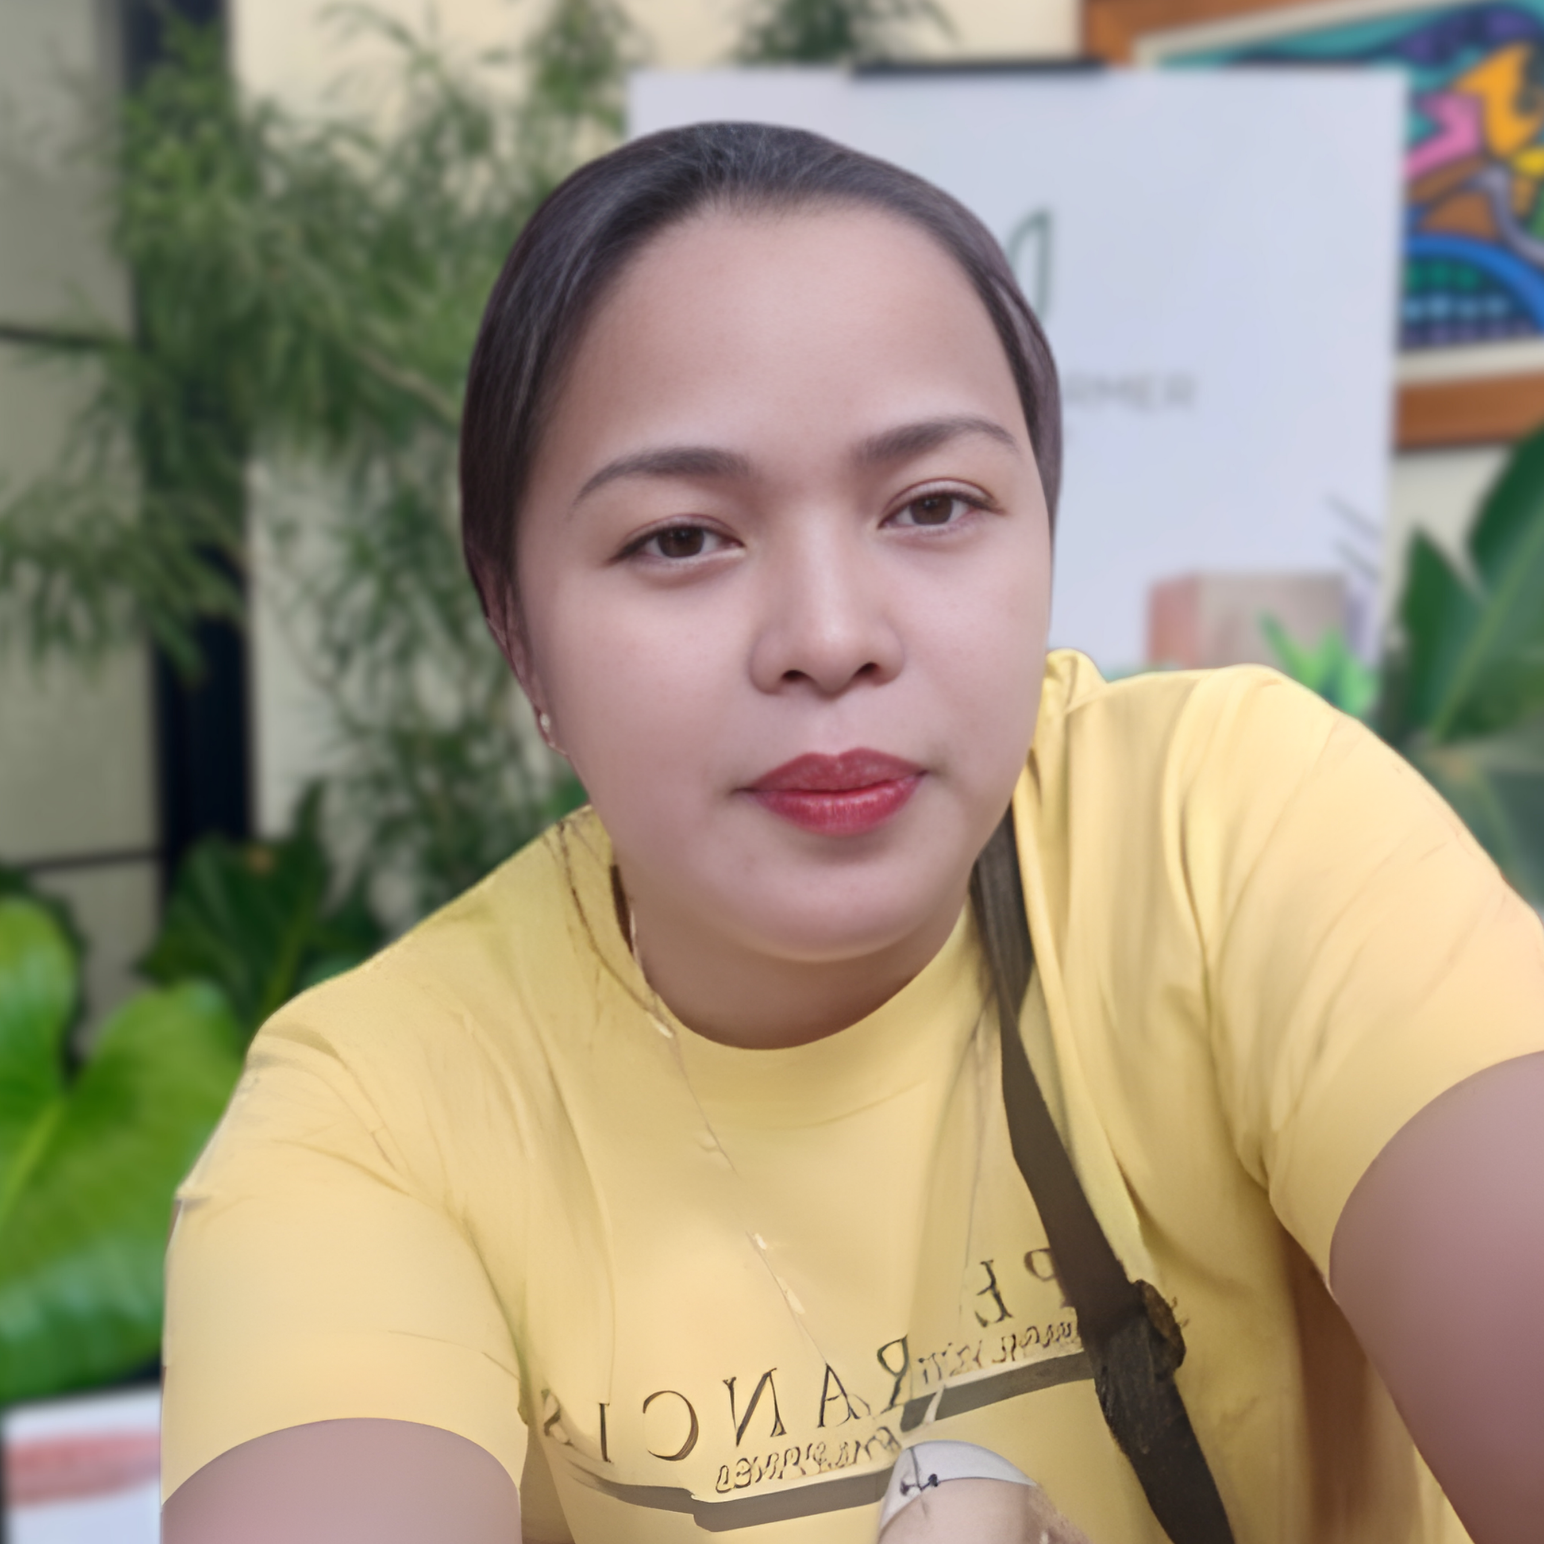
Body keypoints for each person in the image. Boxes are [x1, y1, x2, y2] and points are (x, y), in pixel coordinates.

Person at [159, 123, 1544, 1544]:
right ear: (518, 630)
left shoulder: (1229, 836)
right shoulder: (378, 1121)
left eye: (935, 507)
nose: (830, 639)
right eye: (682, 538)